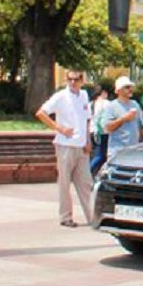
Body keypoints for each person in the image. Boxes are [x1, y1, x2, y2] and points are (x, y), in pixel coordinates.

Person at [34, 69, 93, 227]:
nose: (73, 82)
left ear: (82, 81)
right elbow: (41, 113)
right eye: (70, 79)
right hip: (65, 144)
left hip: (81, 145)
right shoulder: (60, 96)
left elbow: (87, 119)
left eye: (76, 79)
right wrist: (59, 128)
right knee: (64, 182)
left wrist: (88, 140)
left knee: (86, 182)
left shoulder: (84, 95)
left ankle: (92, 216)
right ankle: (66, 216)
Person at [102, 76, 143, 159]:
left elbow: (140, 126)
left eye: (131, 87)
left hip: (133, 151)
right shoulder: (111, 106)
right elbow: (107, 128)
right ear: (118, 90)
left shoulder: (135, 104)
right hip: (117, 151)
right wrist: (124, 119)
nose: (130, 89)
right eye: (127, 87)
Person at [89, 86, 111, 176]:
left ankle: (95, 174)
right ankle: (88, 172)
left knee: (97, 154)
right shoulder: (106, 103)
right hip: (102, 132)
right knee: (100, 155)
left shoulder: (91, 103)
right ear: (103, 93)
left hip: (91, 131)